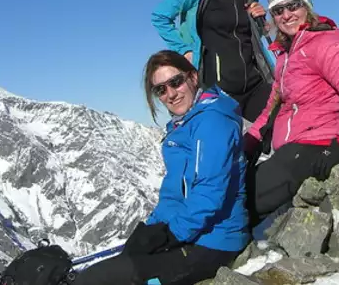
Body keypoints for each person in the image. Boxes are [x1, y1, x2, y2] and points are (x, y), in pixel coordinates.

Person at [74, 50, 249, 285]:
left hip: (213, 242)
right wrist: (152, 228)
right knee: (110, 270)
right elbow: (175, 193)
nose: (171, 94)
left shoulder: (211, 122)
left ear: (193, 78)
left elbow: (209, 193)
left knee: (96, 280)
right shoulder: (185, 123)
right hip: (191, 233)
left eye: (175, 82)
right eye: (161, 89)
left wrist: (170, 235)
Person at [243, 0, 339, 225]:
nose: (286, 15)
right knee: (237, 188)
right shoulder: (286, 53)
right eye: (278, 10)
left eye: (294, 5)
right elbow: (273, 106)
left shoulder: (324, 43)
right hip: (290, 148)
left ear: (307, 7)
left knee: (243, 201)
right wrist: (249, 141)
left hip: (315, 145)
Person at [151, 0, 274, 122]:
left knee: (281, 132)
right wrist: (183, 50)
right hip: (217, 89)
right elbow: (160, 17)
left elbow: (246, 35)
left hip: (255, 84)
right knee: (227, 148)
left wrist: (260, 22)